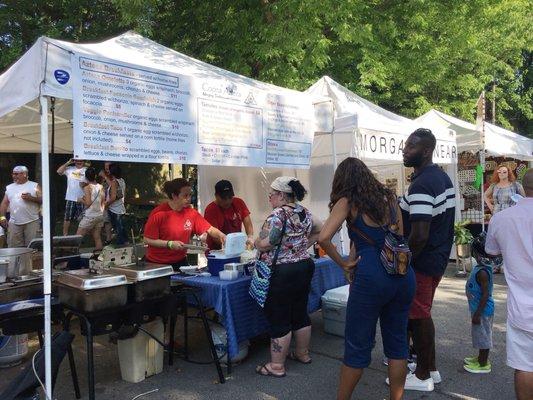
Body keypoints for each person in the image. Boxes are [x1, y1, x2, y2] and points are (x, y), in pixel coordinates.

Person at [318, 158, 415, 400]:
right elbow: (397, 238)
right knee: (398, 344)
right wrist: (355, 254)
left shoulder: (347, 201)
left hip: (371, 276)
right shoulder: (390, 198)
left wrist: (344, 263)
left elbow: (323, 238)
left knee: (357, 346)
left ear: (343, 180)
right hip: (402, 274)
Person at [399, 128, 455, 391]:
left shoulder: (423, 183)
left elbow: (419, 235)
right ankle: (430, 368)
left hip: (423, 260)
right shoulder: (440, 177)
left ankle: (422, 375)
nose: (405, 150)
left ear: (426, 151)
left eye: (411, 146)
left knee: (419, 315)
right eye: (405, 145)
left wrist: (402, 261)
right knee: (422, 314)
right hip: (437, 257)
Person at [254, 177, 321, 378]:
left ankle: (276, 366)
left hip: (282, 271)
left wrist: (256, 242)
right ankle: (302, 353)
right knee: (300, 311)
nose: (270, 198)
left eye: (272, 194)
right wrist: (301, 247)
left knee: (279, 316)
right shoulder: (304, 211)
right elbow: (320, 228)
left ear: (282, 195)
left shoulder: (277, 215)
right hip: (304, 265)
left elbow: (269, 242)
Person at [485, 168, 533, 400]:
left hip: (522, 308)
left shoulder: (502, 219)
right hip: (522, 307)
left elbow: (491, 250)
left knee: (525, 365)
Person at [143, 178, 226, 270]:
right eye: (185, 196)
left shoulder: (191, 213)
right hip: (157, 263)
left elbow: (210, 229)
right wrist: (169, 244)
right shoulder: (158, 214)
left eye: (190, 195)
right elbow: (147, 239)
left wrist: (221, 235)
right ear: (174, 196)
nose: (189, 199)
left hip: (180, 261)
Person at [464, 232, 496, 374]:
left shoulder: (483, 272)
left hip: (483, 311)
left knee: (483, 337)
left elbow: (485, 295)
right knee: (480, 335)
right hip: (479, 310)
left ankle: (483, 364)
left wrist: (477, 313)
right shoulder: (480, 268)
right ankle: (480, 358)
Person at [204, 180, 254, 250]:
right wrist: (230, 244)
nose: (227, 201)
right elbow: (214, 236)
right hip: (217, 250)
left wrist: (250, 236)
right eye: (224, 198)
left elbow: (248, 223)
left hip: (236, 247)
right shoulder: (210, 210)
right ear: (216, 196)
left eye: (230, 197)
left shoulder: (239, 203)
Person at [0, 166, 42, 247]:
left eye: (16, 174)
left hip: (32, 222)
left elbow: (44, 200)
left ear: (25, 174)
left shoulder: (34, 186)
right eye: (13, 174)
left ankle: (30, 260)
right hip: (14, 223)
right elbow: (4, 203)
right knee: (13, 249)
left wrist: (31, 198)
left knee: (32, 248)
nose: (14, 176)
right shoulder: (9, 187)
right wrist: (2, 217)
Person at [76, 167, 105, 250]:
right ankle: (99, 256)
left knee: (77, 237)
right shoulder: (101, 187)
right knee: (97, 237)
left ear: (85, 177)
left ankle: (72, 257)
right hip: (99, 215)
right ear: (95, 176)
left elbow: (88, 203)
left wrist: (81, 200)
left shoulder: (87, 188)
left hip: (90, 216)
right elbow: (103, 201)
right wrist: (101, 212)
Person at [57, 158, 87, 235]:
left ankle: (80, 235)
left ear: (84, 161)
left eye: (81, 160)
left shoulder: (87, 170)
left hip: (82, 198)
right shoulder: (70, 169)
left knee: (82, 219)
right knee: (67, 218)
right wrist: (68, 162)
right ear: (74, 161)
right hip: (70, 197)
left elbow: (91, 182)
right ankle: (65, 236)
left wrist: (85, 185)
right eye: (77, 160)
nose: (79, 162)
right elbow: (59, 171)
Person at [104, 163, 127, 245]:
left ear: (111, 172)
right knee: (121, 228)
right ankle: (125, 242)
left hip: (114, 209)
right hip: (120, 207)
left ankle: (120, 245)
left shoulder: (114, 182)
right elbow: (123, 194)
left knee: (118, 229)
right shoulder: (122, 180)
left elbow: (113, 197)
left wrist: (105, 205)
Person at [98, 161, 113, 243]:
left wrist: (105, 177)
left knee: (107, 221)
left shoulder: (113, 175)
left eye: (108, 166)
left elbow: (112, 185)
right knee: (101, 220)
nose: (106, 168)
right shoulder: (103, 175)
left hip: (110, 201)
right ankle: (101, 236)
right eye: (105, 166)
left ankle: (108, 239)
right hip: (102, 200)